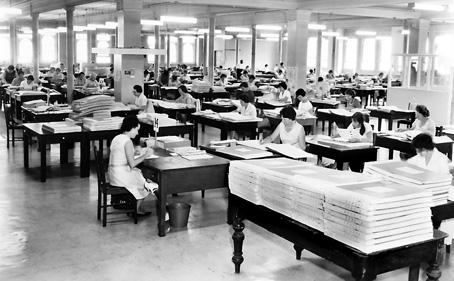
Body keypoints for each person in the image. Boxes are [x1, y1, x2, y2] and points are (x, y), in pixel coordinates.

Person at [108, 116, 158, 216]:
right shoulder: (128, 142)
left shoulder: (117, 138)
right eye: (136, 130)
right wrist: (146, 155)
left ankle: (134, 205)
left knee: (138, 175)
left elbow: (120, 154)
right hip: (121, 176)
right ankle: (137, 209)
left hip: (113, 174)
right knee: (145, 182)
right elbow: (132, 164)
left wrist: (134, 151)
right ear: (132, 128)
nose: (137, 133)